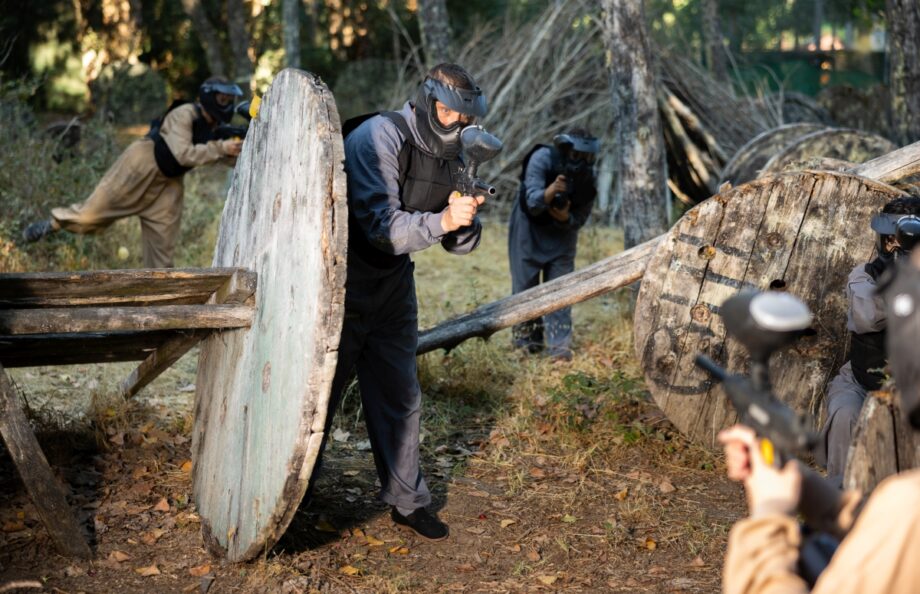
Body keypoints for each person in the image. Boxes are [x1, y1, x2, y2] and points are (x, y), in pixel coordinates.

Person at [320, 63, 488, 541]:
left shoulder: (459, 149)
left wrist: (465, 218)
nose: (456, 123)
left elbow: (458, 247)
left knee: (400, 395)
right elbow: (382, 230)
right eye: (447, 112)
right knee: (320, 396)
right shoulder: (380, 137)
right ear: (427, 100)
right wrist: (442, 222)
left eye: (463, 116)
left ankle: (407, 502)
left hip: (394, 286)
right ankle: (291, 494)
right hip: (340, 281)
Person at [720, 250, 920, 594]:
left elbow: (904, 527)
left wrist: (770, 514)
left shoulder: (909, 504)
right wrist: (818, 497)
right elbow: (892, 533)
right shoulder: (905, 501)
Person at [22, 77, 244, 268]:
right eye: (222, 99)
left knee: (162, 253)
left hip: (169, 184)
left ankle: (161, 297)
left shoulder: (213, 127)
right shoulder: (185, 113)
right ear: (208, 96)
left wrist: (237, 151)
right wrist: (222, 148)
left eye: (228, 100)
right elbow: (183, 154)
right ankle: (55, 223)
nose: (226, 104)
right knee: (90, 216)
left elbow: (213, 154)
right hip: (141, 165)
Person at [816, 196, 920, 486]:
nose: (897, 248)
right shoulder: (865, 274)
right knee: (845, 414)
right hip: (862, 381)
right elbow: (867, 317)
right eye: (892, 241)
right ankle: (842, 499)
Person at [508, 129, 599, 361]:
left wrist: (565, 218)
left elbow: (580, 219)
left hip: (562, 236)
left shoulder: (589, 179)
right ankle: (526, 346)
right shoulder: (543, 158)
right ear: (566, 150)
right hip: (529, 229)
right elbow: (532, 201)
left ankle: (559, 351)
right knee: (525, 289)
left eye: (588, 157)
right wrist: (552, 191)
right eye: (577, 155)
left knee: (561, 290)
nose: (582, 162)